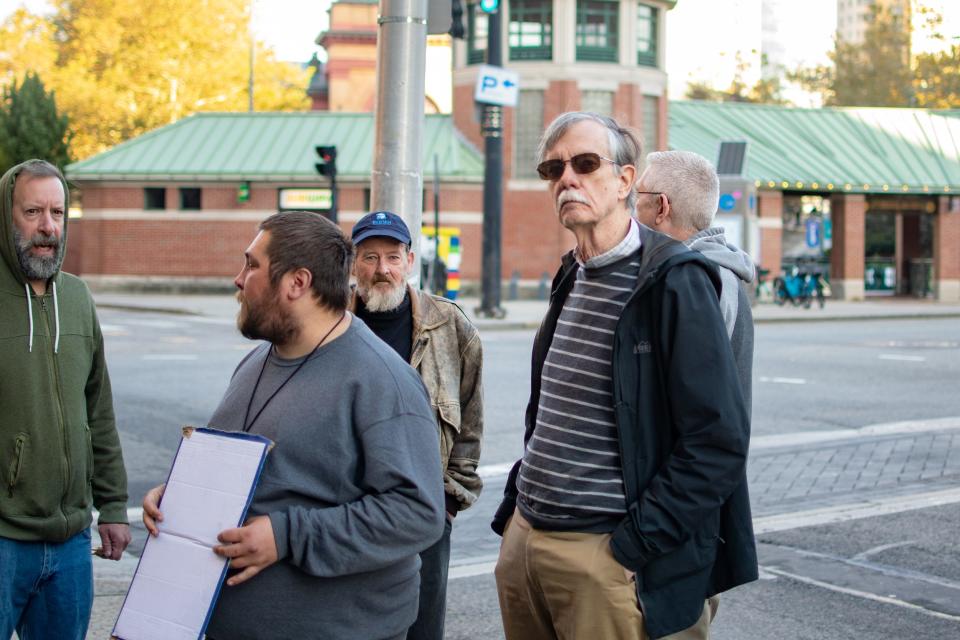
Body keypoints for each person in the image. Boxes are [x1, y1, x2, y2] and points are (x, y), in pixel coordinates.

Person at [491, 113, 757, 640]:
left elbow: (718, 441)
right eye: (554, 168)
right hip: (527, 540)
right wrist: (514, 514)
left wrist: (631, 547)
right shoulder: (572, 273)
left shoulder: (676, 281)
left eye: (586, 163)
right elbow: (551, 409)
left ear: (625, 181)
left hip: (603, 557)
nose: (567, 178)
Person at [143, 210, 445, 640]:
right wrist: (181, 494)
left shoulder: (383, 381)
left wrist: (287, 536)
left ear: (297, 283)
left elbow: (417, 513)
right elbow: (247, 472)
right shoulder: (256, 362)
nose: (238, 279)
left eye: (251, 265)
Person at [0, 159, 130, 640]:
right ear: (6, 216)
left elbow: (99, 409)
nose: (47, 227)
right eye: (32, 212)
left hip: (72, 541)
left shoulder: (77, 296)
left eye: (57, 212)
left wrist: (113, 506)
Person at [349, 210, 483, 640]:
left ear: (410, 260)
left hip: (425, 509)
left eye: (392, 256)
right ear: (354, 263)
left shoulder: (451, 325)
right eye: (370, 257)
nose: (382, 269)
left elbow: (470, 420)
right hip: (348, 508)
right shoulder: (331, 319)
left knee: (421, 629)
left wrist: (447, 503)